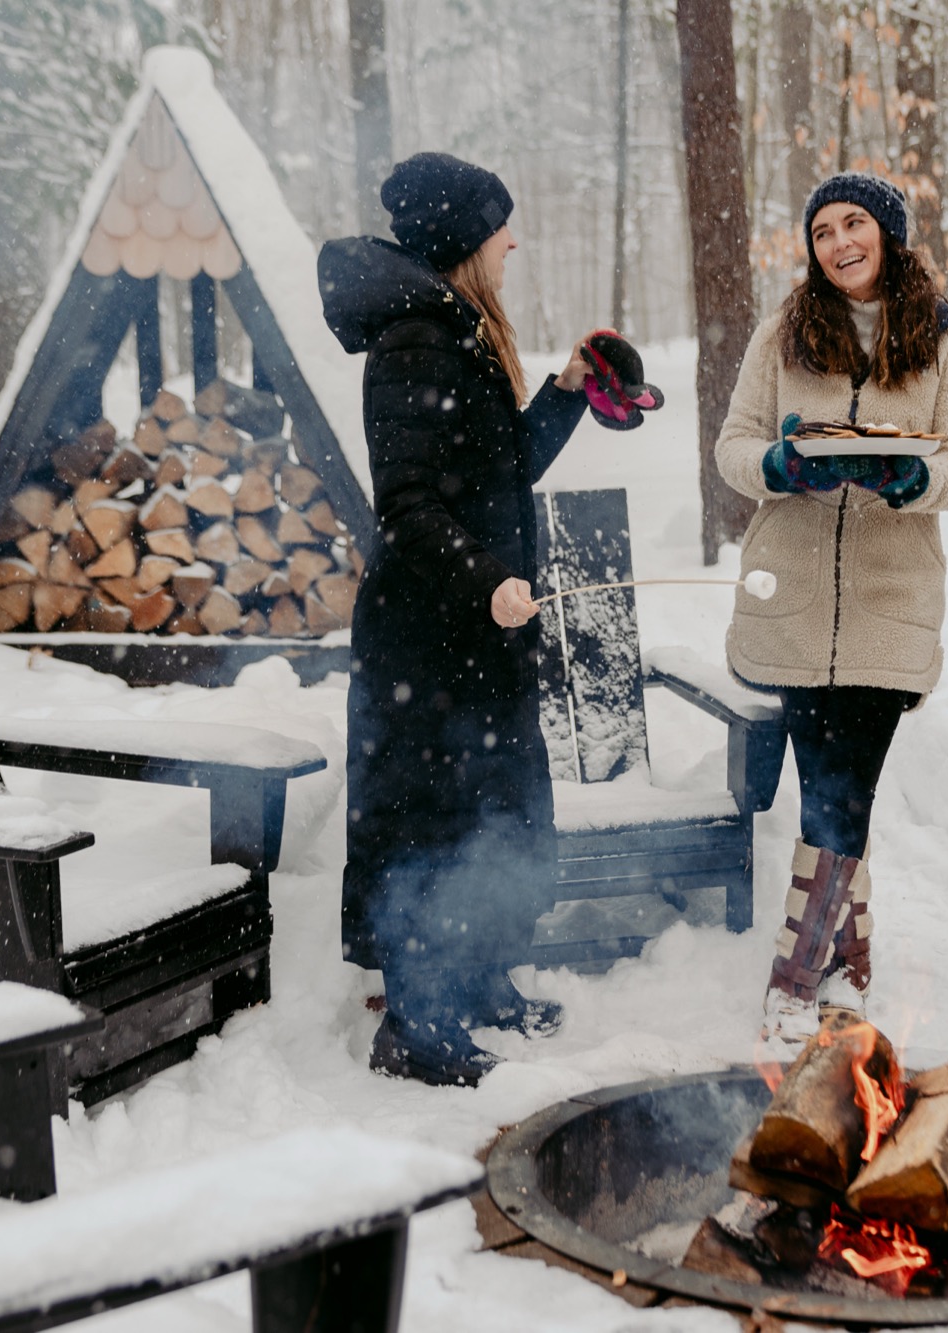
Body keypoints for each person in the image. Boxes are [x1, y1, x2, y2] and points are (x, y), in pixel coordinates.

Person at [319, 152, 598, 1086]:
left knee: (485, 812)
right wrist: (486, 582)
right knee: (429, 823)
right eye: (498, 225)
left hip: (472, 636)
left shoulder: (455, 330)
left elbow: (498, 468)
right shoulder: (415, 342)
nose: (512, 241)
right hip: (428, 640)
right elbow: (408, 507)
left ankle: (476, 980)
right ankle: (416, 1022)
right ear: (461, 237)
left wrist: (567, 392)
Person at [714, 172, 948, 1044]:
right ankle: (847, 966)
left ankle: (793, 982)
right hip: (792, 598)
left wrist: (914, 479)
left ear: (889, 233)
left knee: (841, 794)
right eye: (823, 230)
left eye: (855, 224)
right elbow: (733, 446)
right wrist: (779, 467)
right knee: (832, 797)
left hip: (889, 600)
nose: (839, 243)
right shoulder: (782, 335)